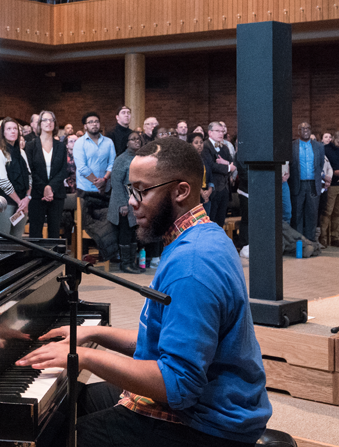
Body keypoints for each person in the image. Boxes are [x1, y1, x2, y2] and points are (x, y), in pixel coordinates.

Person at [18, 137, 271, 446]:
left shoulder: (192, 264)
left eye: (142, 190)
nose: (132, 201)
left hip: (207, 425)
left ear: (180, 191)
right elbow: (174, 341)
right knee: (73, 401)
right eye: (130, 189)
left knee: (62, 437)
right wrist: (95, 336)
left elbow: (179, 385)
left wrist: (81, 357)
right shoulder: (203, 234)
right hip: (212, 405)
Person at [25, 110, 68, 239]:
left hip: (57, 193)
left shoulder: (61, 146)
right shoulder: (31, 145)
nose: (48, 122)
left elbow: (63, 170)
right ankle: (37, 258)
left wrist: (51, 188)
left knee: (54, 231)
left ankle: (53, 259)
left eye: (51, 120)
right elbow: (30, 170)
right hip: (37, 193)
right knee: (36, 230)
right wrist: (44, 188)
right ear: (39, 124)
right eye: (45, 120)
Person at [108, 131, 144, 273]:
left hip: (137, 199)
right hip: (123, 200)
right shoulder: (121, 159)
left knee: (135, 232)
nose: (136, 141)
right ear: (126, 142)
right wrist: (122, 204)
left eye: (138, 139)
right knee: (126, 231)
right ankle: (125, 264)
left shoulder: (140, 157)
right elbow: (116, 183)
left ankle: (133, 262)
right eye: (133, 139)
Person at [0, 117, 31, 237]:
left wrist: (27, 198)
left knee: (17, 238)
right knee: (3, 238)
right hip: (6, 202)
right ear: (3, 132)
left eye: (15, 129)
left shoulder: (22, 152)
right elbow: (3, 182)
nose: (13, 131)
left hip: (23, 201)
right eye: (9, 129)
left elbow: (29, 176)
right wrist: (20, 202)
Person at [289, 122, 326, 242]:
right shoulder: (292, 146)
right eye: (302, 128)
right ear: (298, 131)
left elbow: (320, 164)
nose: (305, 130)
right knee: (297, 214)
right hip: (297, 184)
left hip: (313, 185)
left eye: (308, 128)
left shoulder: (319, 146)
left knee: (312, 214)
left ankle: (310, 242)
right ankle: (298, 243)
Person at [319, 131, 339, 248]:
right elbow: (324, 166)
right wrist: (334, 172)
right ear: (333, 140)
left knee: (338, 212)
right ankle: (322, 238)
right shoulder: (325, 149)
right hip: (331, 185)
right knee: (327, 212)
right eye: (338, 142)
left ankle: (334, 237)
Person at [201, 121, 235, 227]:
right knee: (211, 219)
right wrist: (228, 167)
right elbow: (211, 165)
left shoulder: (224, 147)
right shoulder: (205, 146)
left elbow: (233, 163)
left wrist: (226, 164)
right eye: (218, 131)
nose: (221, 134)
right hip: (213, 188)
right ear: (210, 132)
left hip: (224, 187)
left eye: (222, 131)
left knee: (221, 220)